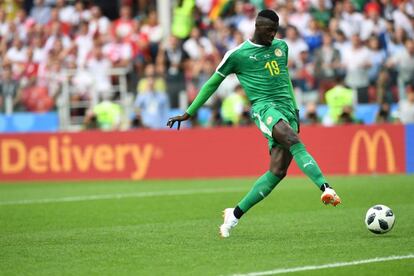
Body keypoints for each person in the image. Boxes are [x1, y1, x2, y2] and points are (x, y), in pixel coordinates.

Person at [167, 10, 341, 238]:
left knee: (277, 172)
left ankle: (234, 214)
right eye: (269, 30)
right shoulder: (237, 55)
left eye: (275, 31)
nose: (273, 35)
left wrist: (296, 109)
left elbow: (285, 78)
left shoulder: (282, 48)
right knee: (292, 139)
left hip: (287, 109)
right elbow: (212, 84)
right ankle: (325, 188)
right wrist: (189, 113)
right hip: (264, 108)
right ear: (258, 27)